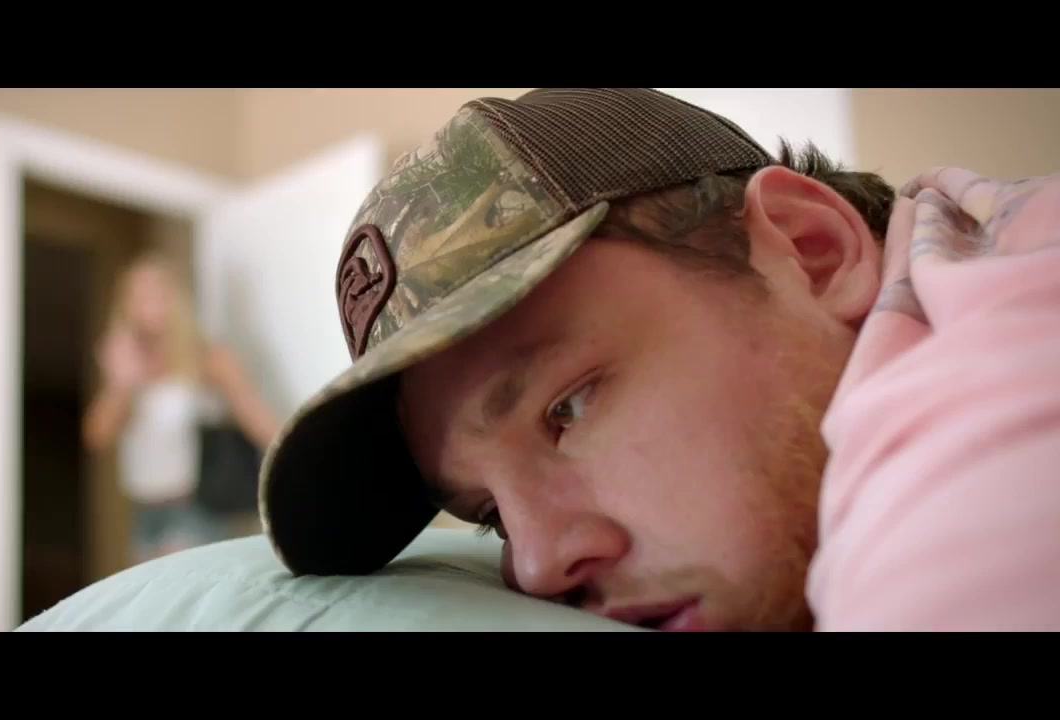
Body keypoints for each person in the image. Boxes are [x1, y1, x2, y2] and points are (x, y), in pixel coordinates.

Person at [256, 88, 1060, 631]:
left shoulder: (986, 436)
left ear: (812, 249)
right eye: (490, 515)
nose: (538, 566)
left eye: (568, 409)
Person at [84, 252, 279, 563]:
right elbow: (96, 436)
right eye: (138, 295)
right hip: (144, 511)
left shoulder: (207, 357)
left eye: (157, 292)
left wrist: (303, 460)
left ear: (175, 298)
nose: (148, 304)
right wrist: (120, 385)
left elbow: (256, 419)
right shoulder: (122, 362)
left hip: (193, 511)